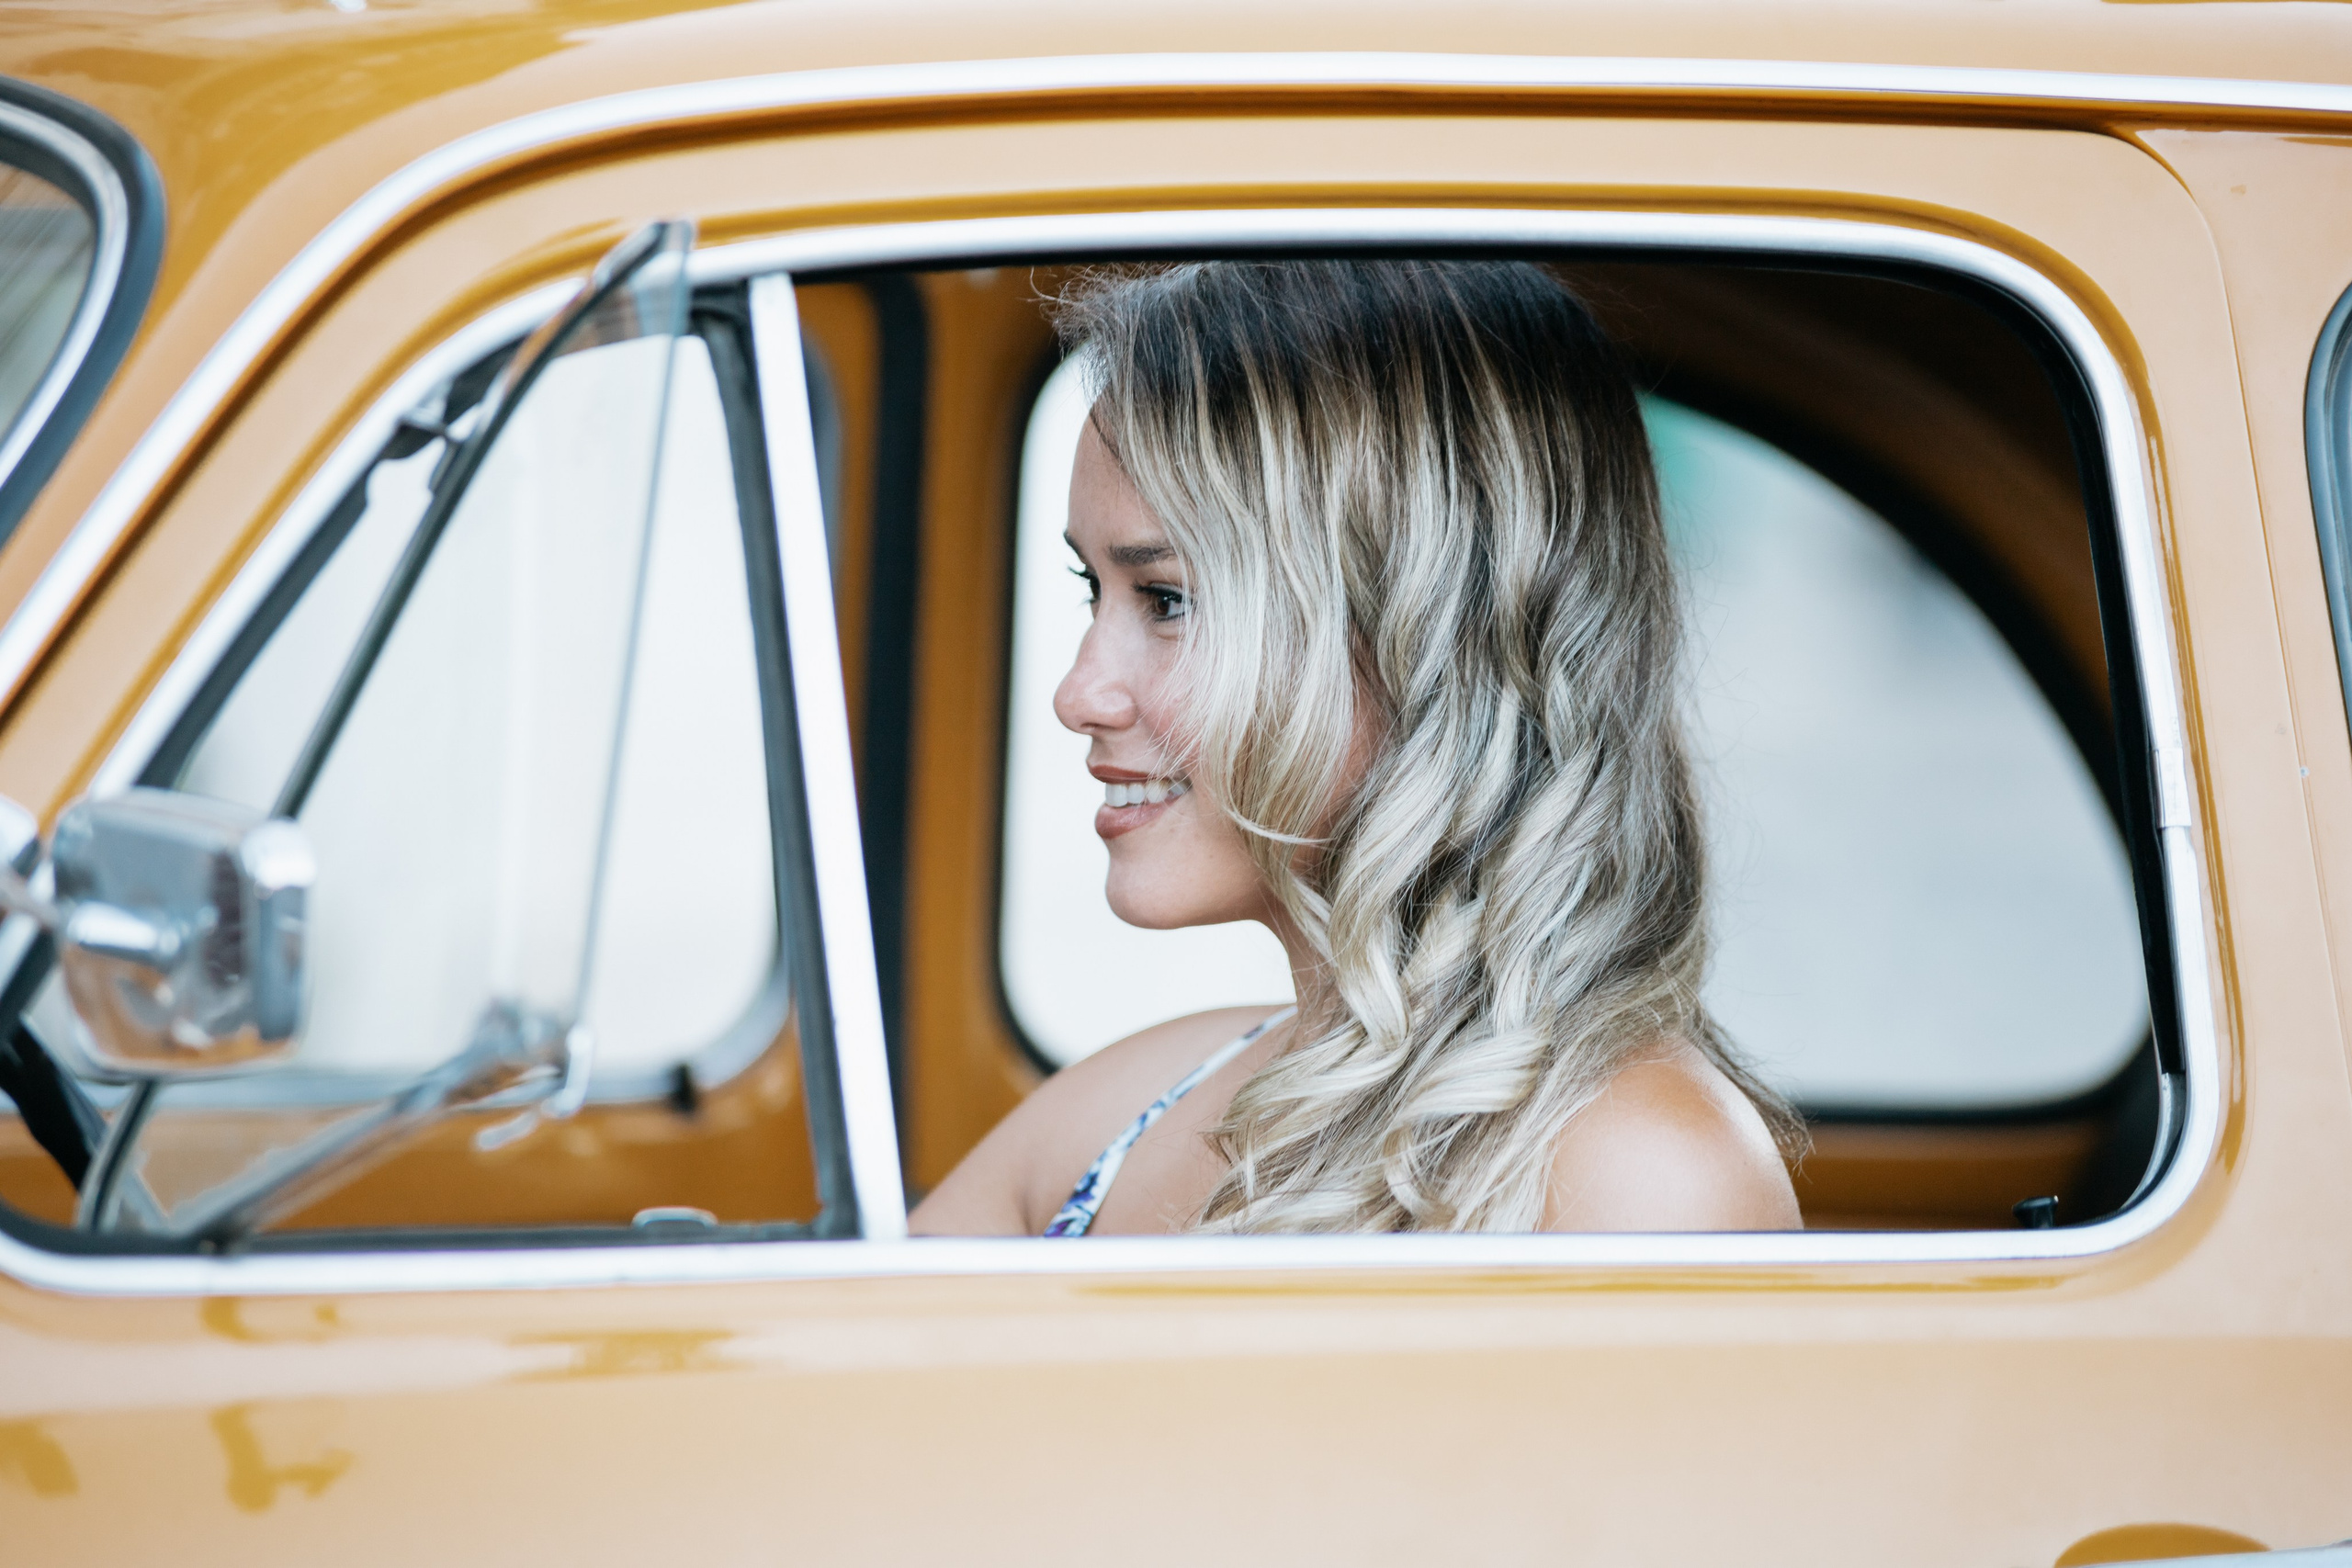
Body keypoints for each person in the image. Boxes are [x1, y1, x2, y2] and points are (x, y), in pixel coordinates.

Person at [911, 258, 1804, 1238]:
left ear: (1429, 636)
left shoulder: (1642, 1169)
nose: (1078, 694)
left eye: (1167, 600)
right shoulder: (1132, 1095)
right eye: (1096, 592)